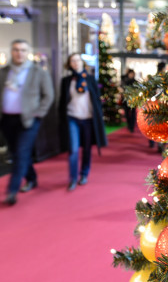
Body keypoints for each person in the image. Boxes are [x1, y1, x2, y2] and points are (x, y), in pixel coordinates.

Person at [0, 39, 54, 205]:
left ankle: (12, 191)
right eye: (16, 50)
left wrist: (39, 113)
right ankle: (32, 177)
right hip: (7, 120)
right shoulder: (4, 72)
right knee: (17, 153)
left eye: (23, 50)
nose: (19, 53)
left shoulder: (38, 72)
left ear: (28, 52)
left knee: (21, 153)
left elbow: (48, 95)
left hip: (29, 120)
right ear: (12, 51)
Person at [58, 53, 107, 191]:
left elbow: (97, 100)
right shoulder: (66, 81)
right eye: (72, 60)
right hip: (72, 118)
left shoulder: (90, 79)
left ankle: (84, 174)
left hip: (88, 119)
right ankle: (73, 178)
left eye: (78, 60)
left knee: (86, 149)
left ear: (82, 62)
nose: (76, 63)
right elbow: (62, 101)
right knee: (73, 149)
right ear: (69, 64)